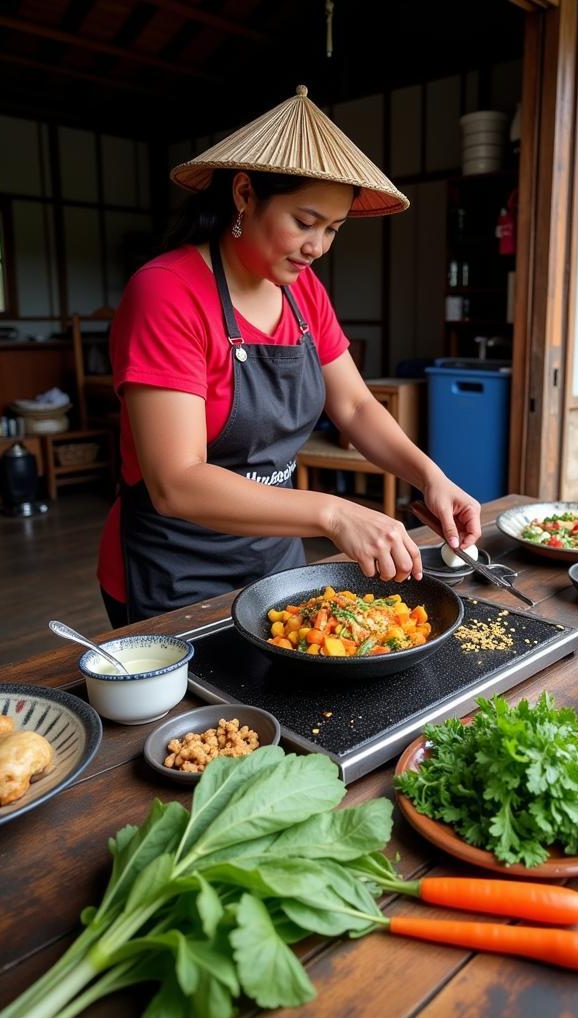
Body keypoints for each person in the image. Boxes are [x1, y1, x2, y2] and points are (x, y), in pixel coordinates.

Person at [97, 86, 480, 627]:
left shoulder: (303, 292)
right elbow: (176, 481)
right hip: (174, 571)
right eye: (305, 222)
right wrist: (334, 512)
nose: (318, 246)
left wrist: (429, 476)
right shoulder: (166, 292)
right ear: (245, 194)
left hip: (274, 564)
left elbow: (355, 408)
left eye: (333, 229)